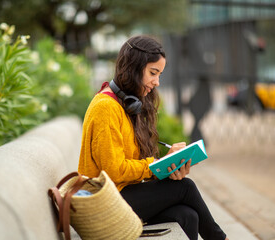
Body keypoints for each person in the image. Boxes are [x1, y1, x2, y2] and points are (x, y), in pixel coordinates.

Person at [78, 35, 228, 240]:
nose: (156, 82)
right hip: (103, 203)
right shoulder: (106, 107)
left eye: (159, 74)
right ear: (133, 67)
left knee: (188, 216)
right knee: (185, 187)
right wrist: (154, 167)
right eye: (153, 73)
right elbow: (113, 170)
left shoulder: (126, 105)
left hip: (121, 195)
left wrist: (167, 165)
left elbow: (134, 165)